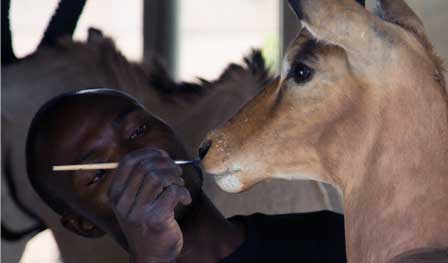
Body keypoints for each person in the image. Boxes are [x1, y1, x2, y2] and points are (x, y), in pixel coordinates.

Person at [26, 89, 346, 263]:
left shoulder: (331, 239)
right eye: (97, 173)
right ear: (84, 224)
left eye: (138, 130)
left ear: (172, 130)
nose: (135, 159)